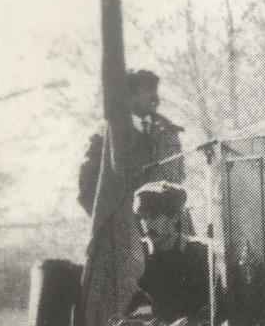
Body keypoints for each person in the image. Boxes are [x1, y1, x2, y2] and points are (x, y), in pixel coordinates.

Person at [78, 69, 185, 216]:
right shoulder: (105, 137)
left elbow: (179, 177)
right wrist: (113, 225)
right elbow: (86, 190)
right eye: (148, 91)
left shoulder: (168, 131)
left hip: (170, 227)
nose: (157, 99)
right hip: (129, 231)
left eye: (156, 91)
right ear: (129, 96)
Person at [127, 181, 220, 326]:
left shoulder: (199, 253)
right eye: (142, 217)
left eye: (153, 216)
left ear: (175, 216)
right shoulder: (137, 255)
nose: (146, 224)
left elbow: (212, 310)